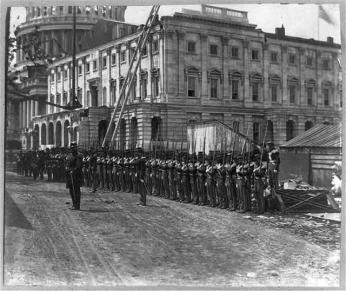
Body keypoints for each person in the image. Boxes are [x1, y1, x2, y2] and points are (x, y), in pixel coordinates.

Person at [65, 142, 83, 210]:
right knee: (71, 190)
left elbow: (78, 165)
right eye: (72, 148)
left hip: (76, 176)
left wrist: (73, 171)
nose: (73, 149)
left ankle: (77, 205)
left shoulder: (79, 156)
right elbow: (67, 163)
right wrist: (66, 168)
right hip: (69, 175)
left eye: (74, 148)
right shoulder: (69, 156)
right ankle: (74, 204)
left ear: (76, 148)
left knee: (76, 190)